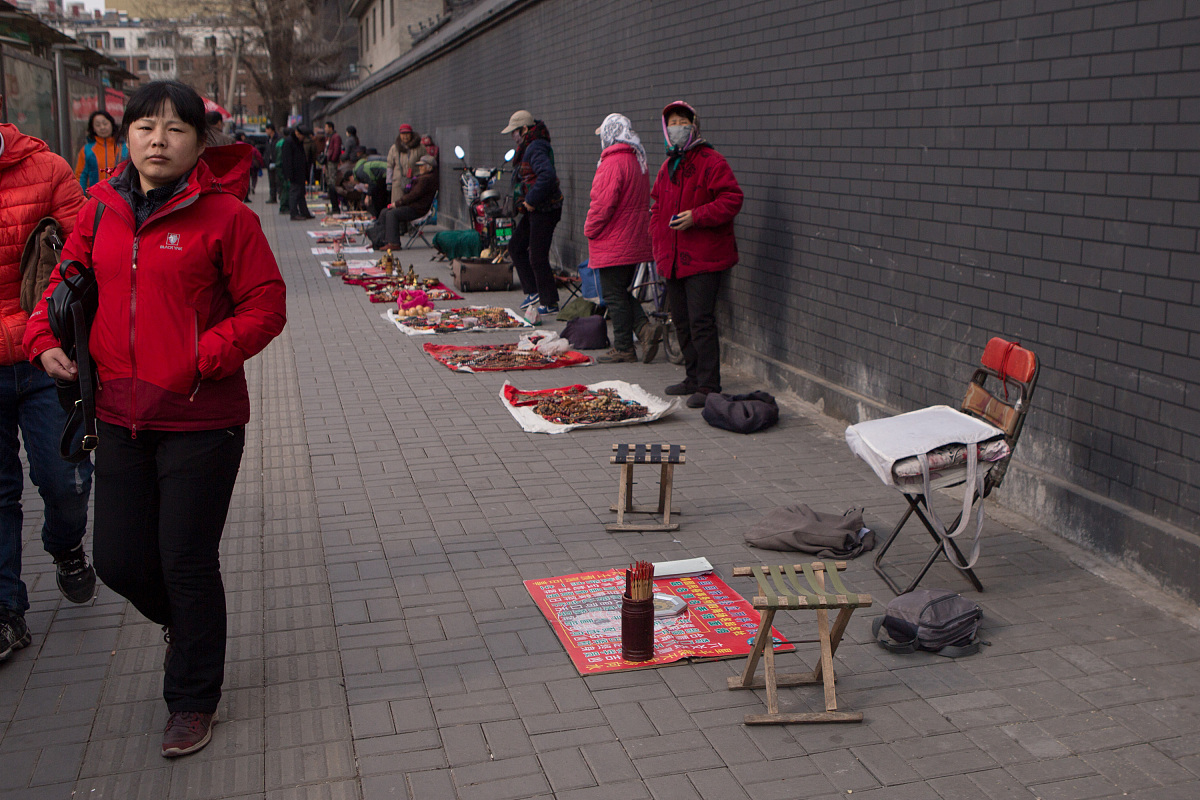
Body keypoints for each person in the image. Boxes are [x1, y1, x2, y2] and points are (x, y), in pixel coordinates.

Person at [25, 79, 286, 757]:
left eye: (176, 129)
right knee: (118, 560)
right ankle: (195, 633)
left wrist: (207, 353)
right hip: (116, 411)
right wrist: (41, 339)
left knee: (186, 561)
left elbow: (266, 304)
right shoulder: (100, 211)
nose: (158, 140)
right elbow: (62, 281)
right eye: (146, 127)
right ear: (126, 138)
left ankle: (192, 698)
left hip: (202, 417)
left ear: (199, 142)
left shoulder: (228, 218)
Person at [0, 122, 95, 664]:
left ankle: (65, 545)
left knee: (64, 479)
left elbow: (81, 257)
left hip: (46, 355)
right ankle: (7, 610)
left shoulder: (48, 169)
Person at [649, 100, 743, 409]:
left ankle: (708, 383)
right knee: (682, 321)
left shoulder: (712, 161)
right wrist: (656, 238)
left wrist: (697, 216)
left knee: (702, 320)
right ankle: (692, 376)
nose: (677, 128)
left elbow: (732, 198)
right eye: (672, 122)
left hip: (704, 257)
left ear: (693, 125)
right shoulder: (667, 167)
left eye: (682, 122)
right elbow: (656, 207)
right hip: (673, 258)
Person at [585, 114, 660, 364]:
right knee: (620, 291)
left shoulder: (612, 162)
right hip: (634, 236)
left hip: (615, 238)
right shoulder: (637, 159)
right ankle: (644, 330)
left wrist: (589, 229)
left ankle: (624, 346)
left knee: (613, 293)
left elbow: (602, 204)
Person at [502, 110, 562, 314]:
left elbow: (547, 176)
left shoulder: (535, 147)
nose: (513, 137)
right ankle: (534, 291)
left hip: (545, 208)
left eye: (515, 132)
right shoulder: (530, 146)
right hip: (536, 208)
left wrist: (530, 199)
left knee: (537, 256)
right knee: (516, 246)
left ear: (525, 130)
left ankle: (549, 302)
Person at [379, 154, 437, 249]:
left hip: (418, 209)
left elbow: (413, 195)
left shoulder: (425, 179)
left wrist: (398, 203)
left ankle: (394, 243)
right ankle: (381, 240)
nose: (420, 168)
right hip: (414, 206)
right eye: (419, 166)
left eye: (422, 166)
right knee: (385, 212)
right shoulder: (422, 178)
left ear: (429, 167)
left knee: (392, 214)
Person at [74, 110, 127, 190]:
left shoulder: (124, 147)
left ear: (112, 124)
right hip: (95, 198)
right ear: (93, 129)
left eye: (105, 123)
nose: (102, 127)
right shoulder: (87, 150)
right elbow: (80, 176)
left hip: (121, 197)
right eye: (98, 125)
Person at [386, 124, 426, 203]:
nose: (405, 136)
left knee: (412, 203)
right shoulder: (394, 148)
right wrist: (389, 182)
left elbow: (425, 161)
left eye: (407, 134)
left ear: (411, 134)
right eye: (403, 134)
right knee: (397, 204)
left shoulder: (420, 147)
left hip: (414, 181)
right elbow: (390, 165)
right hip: (398, 182)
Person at [282, 124, 313, 220]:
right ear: (297, 133)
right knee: (295, 193)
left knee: (301, 193)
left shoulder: (298, 142)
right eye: (302, 136)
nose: (303, 138)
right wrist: (289, 174)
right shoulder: (289, 142)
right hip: (294, 173)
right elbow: (287, 160)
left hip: (301, 172)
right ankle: (294, 213)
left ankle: (304, 211)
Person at [354, 150, 390, 218]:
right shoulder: (361, 167)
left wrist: (368, 195)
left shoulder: (359, 172)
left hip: (386, 172)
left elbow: (371, 181)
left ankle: (379, 218)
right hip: (385, 172)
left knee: (379, 197)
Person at [322, 122, 343, 213]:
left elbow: (337, 149)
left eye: (326, 127)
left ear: (331, 127)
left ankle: (335, 207)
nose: (325, 129)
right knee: (329, 183)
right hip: (328, 162)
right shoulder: (329, 137)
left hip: (332, 162)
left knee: (332, 183)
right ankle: (334, 206)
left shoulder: (335, 137)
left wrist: (333, 159)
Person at [264, 123, 280, 203]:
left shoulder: (278, 139)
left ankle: (280, 196)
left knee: (278, 181)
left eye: (267, 129)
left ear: (271, 129)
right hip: (269, 162)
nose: (266, 131)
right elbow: (267, 150)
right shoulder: (268, 139)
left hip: (276, 162)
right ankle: (272, 197)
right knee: (271, 181)